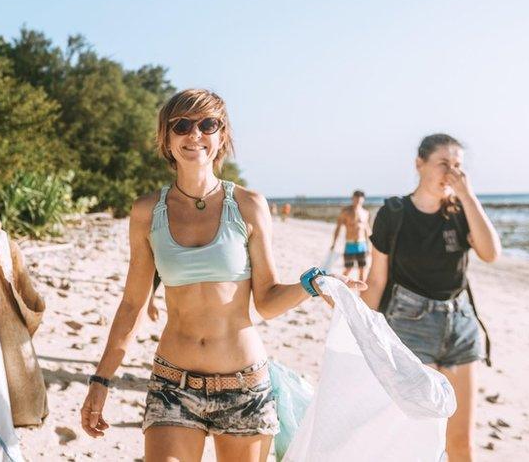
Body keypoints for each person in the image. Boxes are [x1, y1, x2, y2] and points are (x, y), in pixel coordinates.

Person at [79, 88, 365, 462]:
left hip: (244, 385)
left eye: (207, 124)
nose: (194, 134)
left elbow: (267, 299)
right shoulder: (147, 211)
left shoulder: (248, 206)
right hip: (172, 383)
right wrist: (101, 381)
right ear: (166, 138)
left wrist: (313, 284)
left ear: (222, 135)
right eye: (181, 125)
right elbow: (133, 304)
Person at [361, 133, 501, 462]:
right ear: (419, 164)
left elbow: (491, 252)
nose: (451, 173)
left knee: (461, 442)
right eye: (443, 164)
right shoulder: (393, 214)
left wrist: (468, 196)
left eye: (458, 166)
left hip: (461, 327)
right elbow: (377, 279)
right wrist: (363, 336)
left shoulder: (460, 210)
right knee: (414, 442)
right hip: (409, 328)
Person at [330, 190, 371, 283]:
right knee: (348, 268)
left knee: (362, 270)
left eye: (360, 200)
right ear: (352, 199)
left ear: (363, 200)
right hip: (350, 244)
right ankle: (339, 286)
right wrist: (334, 243)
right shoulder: (345, 212)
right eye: (356, 199)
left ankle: (361, 295)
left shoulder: (365, 213)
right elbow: (338, 228)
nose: (357, 202)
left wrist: (370, 247)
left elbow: (367, 230)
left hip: (362, 245)